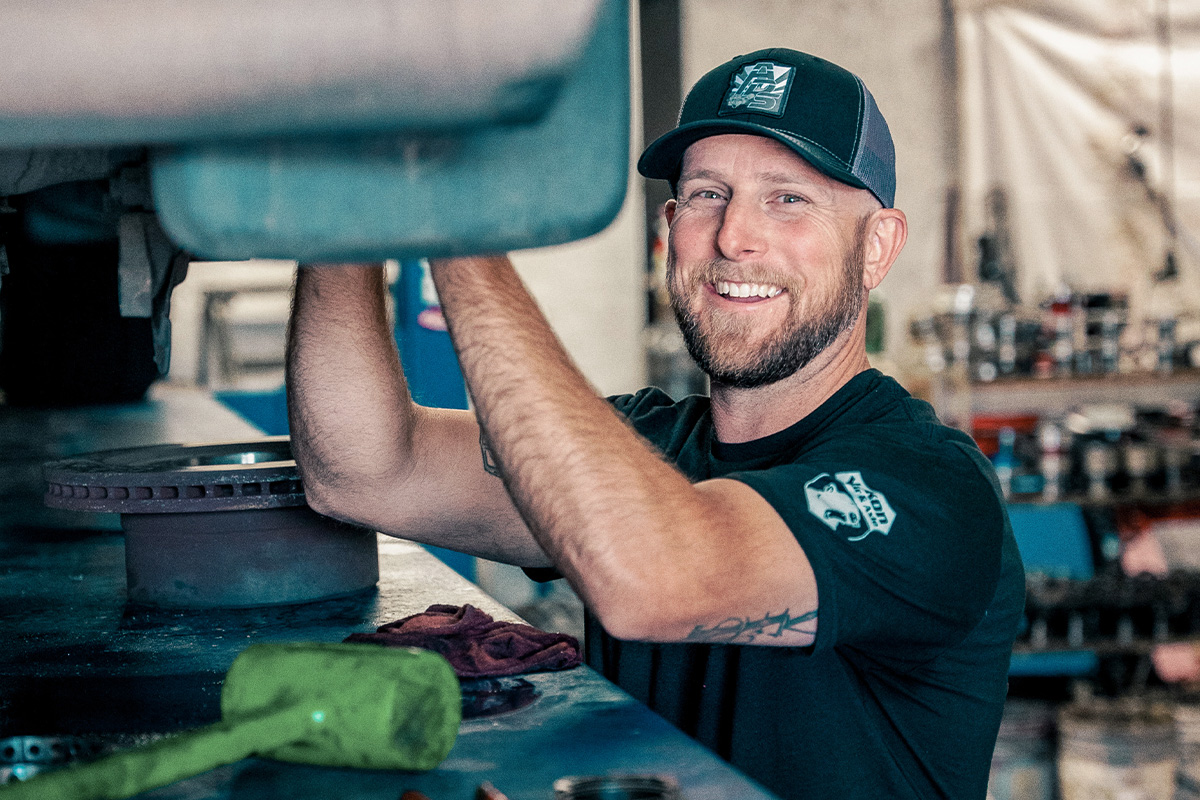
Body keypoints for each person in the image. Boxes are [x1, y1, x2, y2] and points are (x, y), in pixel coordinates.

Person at [286, 48, 1025, 800]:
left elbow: (653, 581)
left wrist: (457, 222)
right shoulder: (646, 445)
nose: (735, 236)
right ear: (669, 227)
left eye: (789, 199)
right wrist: (346, 216)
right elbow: (368, 470)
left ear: (878, 247)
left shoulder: (930, 488)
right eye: (708, 195)